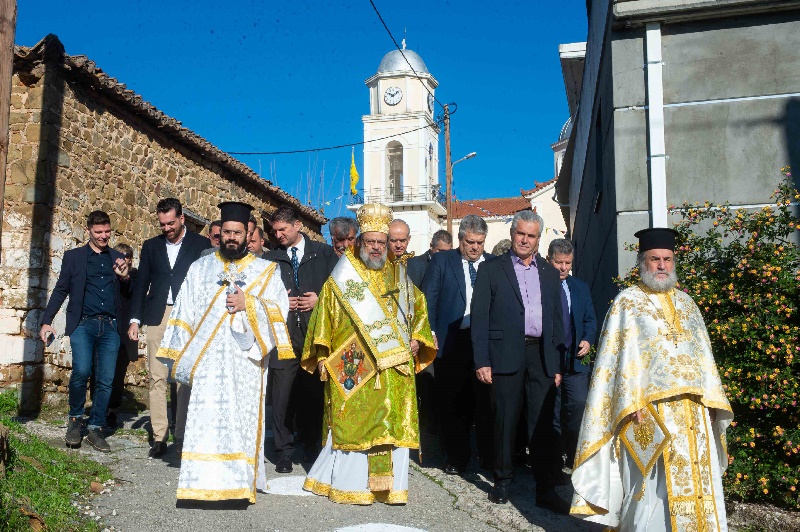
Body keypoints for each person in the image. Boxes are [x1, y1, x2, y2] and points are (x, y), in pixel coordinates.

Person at [570, 228, 733, 531]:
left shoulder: (688, 305)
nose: (661, 265)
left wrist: (711, 403)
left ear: (674, 262)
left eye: (667, 260)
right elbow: (615, 364)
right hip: (650, 413)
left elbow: (704, 361)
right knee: (651, 493)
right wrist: (628, 404)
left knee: (699, 484)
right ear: (642, 262)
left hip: (694, 415)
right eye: (654, 259)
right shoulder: (627, 303)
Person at [301, 203, 436, 505]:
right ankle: (350, 486)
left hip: (393, 371)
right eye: (370, 241)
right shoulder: (343, 276)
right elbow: (324, 314)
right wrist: (322, 354)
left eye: (381, 242)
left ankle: (389, 488)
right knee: (352, 423)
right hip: (354, 365)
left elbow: (419, 311)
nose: (376, 248)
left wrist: (418, 338)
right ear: (361, 241)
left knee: (390, 424)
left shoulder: (399, 276)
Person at [156, 201, 291, 503]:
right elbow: (184, 310)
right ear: (219, 234)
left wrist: (250, 304)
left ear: (248, 234)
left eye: (238, 233)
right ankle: (199, 484)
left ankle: (239, 485)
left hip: (244, 361)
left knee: (239, 420)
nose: (231, 238)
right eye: (226, 232)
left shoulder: (265, 271)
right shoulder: (200, 268)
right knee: (205, 420)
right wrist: (180, 355)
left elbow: (280, 309)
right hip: (207, 363)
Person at [471, 210, 567, 511]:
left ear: (539, 239)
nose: (525, 240)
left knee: (542, 424)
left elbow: (556, 320)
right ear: (512, 234)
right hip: (504, 355)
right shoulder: (490, 269)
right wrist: (482, 360)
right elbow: (480, 319)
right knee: (504, 419)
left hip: (541, 356)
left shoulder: (550, 273)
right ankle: (502, 481)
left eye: (531, 236)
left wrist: (556, 365)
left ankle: (545, 488)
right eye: (520, 234)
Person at [39, 210, 132, 452]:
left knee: (106, 380)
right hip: (83, 323)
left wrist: (124, 278)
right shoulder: (74, 257)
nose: (103, 236)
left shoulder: (118, 257)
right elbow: (61, 289)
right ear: (88, 231)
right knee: (81, 371)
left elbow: (129, 294)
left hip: (110, 325)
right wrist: (47, 321)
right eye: (98, 232)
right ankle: (75, 421)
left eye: (107, 231)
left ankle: (97, 428)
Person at [127, 198, 211, 457]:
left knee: (185, 377)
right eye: (162, 224)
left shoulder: (201, 245)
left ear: (182, 218)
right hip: (157, 315)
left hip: (189, 315)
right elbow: (141, 284)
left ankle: (184, 434)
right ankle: (160, 436)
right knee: (156, 376)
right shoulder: (151, 246)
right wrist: (134, 319)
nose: (166, 228)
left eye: (171, 223)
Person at [265, 206, 338, 472]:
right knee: (282, 395)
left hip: (313, 335)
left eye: (282, 230)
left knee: (312, 393)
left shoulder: (324, 253)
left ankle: (311, 446)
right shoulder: (270, 259)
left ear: (297, 225)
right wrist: (279, 300)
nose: (278, 235)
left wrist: (320, 298)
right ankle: (284, 451)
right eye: (275, 231)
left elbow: (339, 289)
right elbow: (261, 296)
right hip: (282, 337)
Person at [422, 215, 493, 473]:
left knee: (484, 402)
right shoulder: (443, 261)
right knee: (453, 402)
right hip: (452, 341)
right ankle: (456, 457)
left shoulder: (494, 264)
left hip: (485, 343)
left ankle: (487, 458)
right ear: (460, 238)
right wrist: (429, 330)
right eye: (470, 242)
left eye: (480, 243)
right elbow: (428, 298)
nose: (475, 248)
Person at [546, 238, 597, 470]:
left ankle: (576, 456)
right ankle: (554, 459)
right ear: (549, 260)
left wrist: (588, 338)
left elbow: (590, 320)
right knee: (552, 412)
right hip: (550, 361)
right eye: (559, 263)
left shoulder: (580, 287)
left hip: (576, 362)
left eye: (568, 262)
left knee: (577, 406)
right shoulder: (540, 286)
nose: (564, 267)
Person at [89, 243, 138, 429]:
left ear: (130, 259)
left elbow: (132, 291)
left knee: (117, 373)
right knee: (97, 369)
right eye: (118, 255)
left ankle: (111, 410)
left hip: (123, 333)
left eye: (125, 255)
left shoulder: (134, 275)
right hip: (102, 328)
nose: (121, 258)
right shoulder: (106, 273)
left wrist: (123, 276)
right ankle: (97, 407)